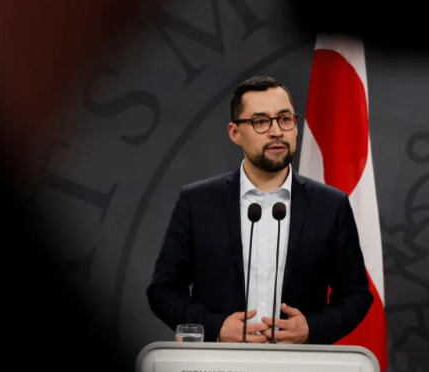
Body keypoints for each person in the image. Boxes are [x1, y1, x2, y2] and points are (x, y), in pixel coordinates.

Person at [146, 75, 373, 344]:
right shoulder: (197, 202)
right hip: (219, 362)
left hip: (299, 364)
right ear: (235, 133)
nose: (277, 131)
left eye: (285, 119)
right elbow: (163, 291)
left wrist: (311, 328)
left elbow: (356, 295)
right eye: (261, 121)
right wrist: (215, 326)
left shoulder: (330, 205)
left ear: (296, 126)